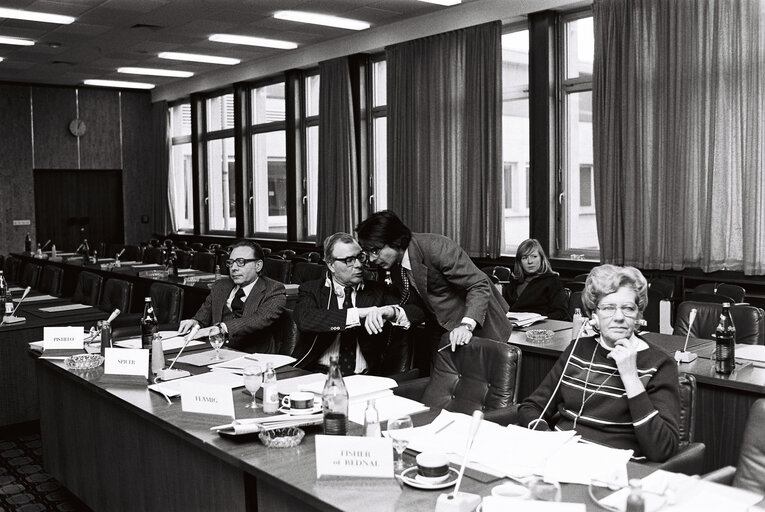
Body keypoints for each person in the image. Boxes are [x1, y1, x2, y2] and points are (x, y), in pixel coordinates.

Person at [517, 264, 680, 462]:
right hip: (557, 456)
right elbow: (531, 407)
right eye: (609, 308)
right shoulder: (578, 350)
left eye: (628, 308)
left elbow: (663, 449)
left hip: (614, 469)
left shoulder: (660, 364)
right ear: (594, 315)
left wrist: (630, 377)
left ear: (638, 315)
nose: (619, 317)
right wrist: (547, 438)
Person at [356, 210, 513, 350]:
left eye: (375, 251)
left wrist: (466, 326)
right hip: (440, 328)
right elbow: (414, 303)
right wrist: (392, 312)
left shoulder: (437, 248)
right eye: (368, 252)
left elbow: (478, 285)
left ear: (395, 241)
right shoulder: (393, 264)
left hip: (477, 326)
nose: (371, 259)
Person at [292, 232, 424, 376]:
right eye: (349, 260)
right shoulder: (312, 290)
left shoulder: (377, 291)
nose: (359, 265)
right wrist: (359, 314)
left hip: (364, 377)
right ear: (331, 265)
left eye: (360, 257)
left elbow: (417, 312)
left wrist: (392, 311)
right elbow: (305, 319)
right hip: (317, 373)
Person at [177, 240, 286, 353]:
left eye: (240, 262)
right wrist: (195, 323)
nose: (233, 268)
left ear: (258, 266)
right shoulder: (220, 286)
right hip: (215, 352)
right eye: (230, 262)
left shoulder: (274, 290)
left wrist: (222, 328)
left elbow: (258, 319)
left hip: (252, 358)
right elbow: (202, 318)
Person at [504, 239, 569, 320]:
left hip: (541, 327)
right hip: (514, 327)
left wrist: (538, 318)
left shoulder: (552, 281)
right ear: (519, 262)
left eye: (534, 256)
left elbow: (561, 313)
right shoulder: (514, 281)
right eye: (524, 258)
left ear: (541, 258)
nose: (530, 261)